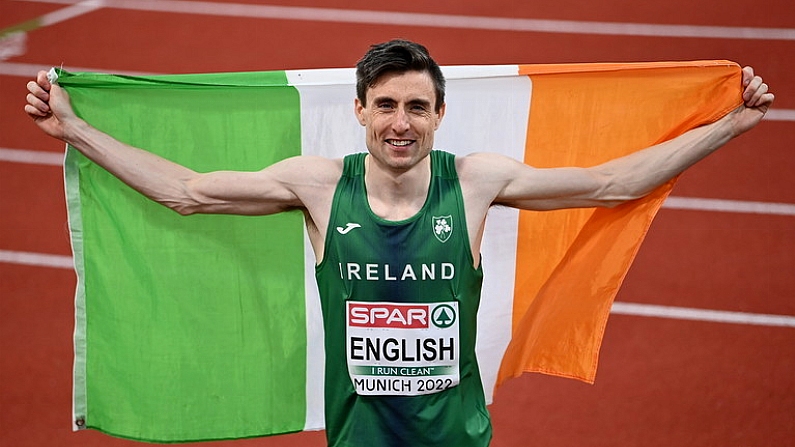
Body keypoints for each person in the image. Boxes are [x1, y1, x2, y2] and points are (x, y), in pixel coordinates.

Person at [25, 40, 773, 447]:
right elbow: (186, 191)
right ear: (359, 110)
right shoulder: (318, 185)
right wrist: (76, 130)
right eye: (384, 104)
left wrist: (726, 126)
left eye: (416, 105)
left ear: (440, 114)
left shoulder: (476, 182)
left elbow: (611, 183)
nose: (400, 121)